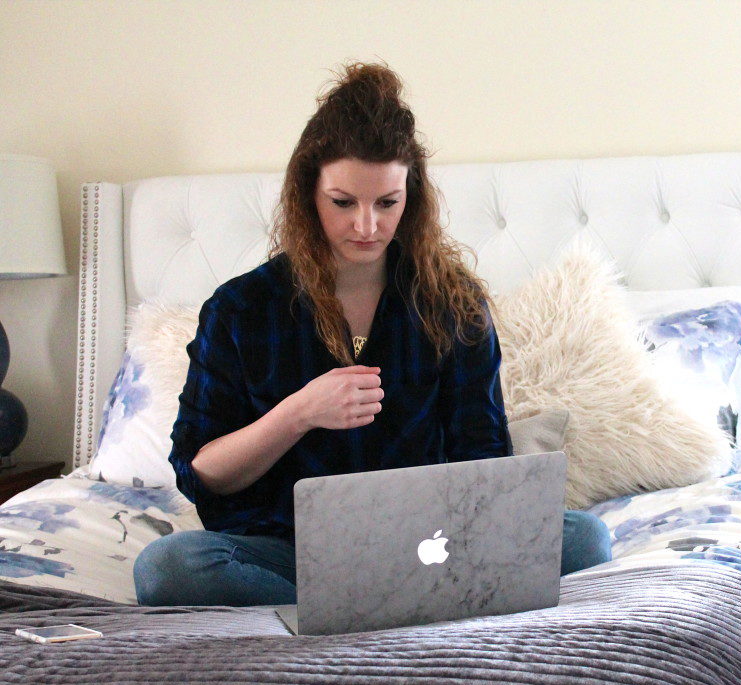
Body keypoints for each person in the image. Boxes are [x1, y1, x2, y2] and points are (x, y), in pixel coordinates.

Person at [133, 62, 611, 607]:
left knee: (587, 538)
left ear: (412, 197)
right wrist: (298, 413)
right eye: (343, 202)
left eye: (387, 203)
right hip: (284, 551)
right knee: (168, 568)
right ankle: (378, 607)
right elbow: (201, 474)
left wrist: (468, 527)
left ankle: (352, 607)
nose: (366, 226)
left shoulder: (453, 305)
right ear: (308, 195)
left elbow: (484, 460)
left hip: (430, 547)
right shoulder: (240, 309)